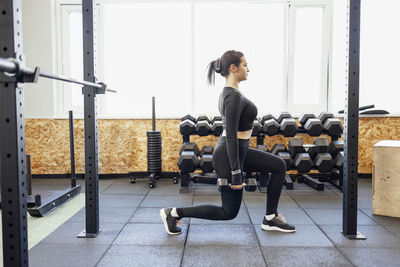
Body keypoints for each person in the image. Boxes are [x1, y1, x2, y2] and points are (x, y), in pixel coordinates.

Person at [160, 50, 295, 235]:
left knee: (279, 166)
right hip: (229, 156)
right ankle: (173, 213)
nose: (249, 69)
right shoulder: (232, 97)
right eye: (245, 65)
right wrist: (236, 173)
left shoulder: (232, 93)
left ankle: (271, 218)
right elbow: (230, 135)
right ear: (233, 68)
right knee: (228, 212)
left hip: (241, 151)